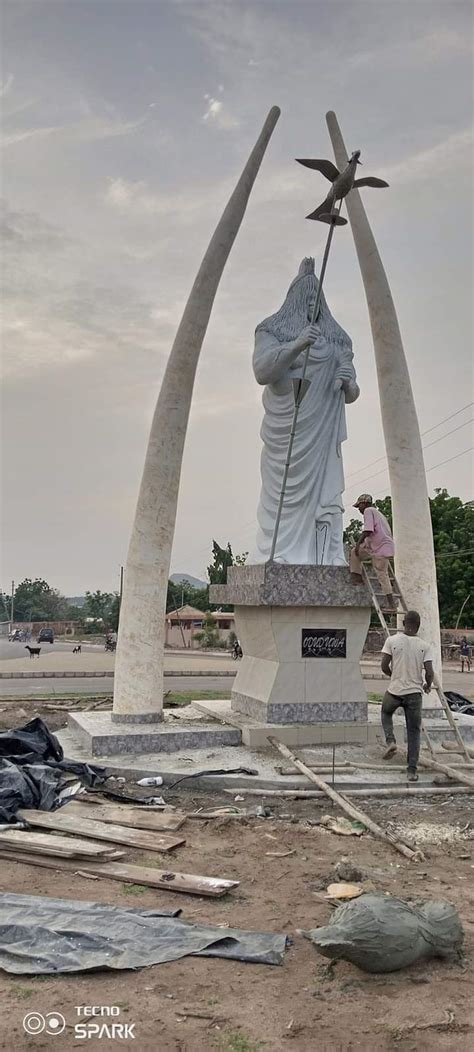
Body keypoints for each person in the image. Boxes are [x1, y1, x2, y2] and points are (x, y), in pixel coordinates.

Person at [251, 257, 360, 565]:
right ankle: (282, 553)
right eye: (306, 300)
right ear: (294, 301)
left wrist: (347, 384)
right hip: (287, 432)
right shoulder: (271, 331)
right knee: (282, 497)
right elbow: (262, 372)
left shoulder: (337, 341)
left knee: (324, 500)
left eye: (317, 300)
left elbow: (351, 392)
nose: (312, 305)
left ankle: (325, 555)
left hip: (321, 432)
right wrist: (298, 344)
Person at [380, 610, 434, 781]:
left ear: (403, 623)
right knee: (413, 732)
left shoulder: (392, 640)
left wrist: (394, 676)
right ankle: (412, 771)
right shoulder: (425, 646)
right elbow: (430, 672)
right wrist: (428, 685)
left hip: (395, 691)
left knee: (385, 712)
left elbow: (383, 665)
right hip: (414, 694)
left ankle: (390, 741)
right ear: (418, 626)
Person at [350, 494, 396, 609]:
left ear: (364, 504)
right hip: (379, 546)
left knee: (382, 575)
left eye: (359, 506)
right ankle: (357, 578)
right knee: (355, 553)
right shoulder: (379, 513)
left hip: (379, 548)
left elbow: (368, 530)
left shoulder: (368, 511)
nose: (359, 510)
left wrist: (358, 544)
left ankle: (391, 604)